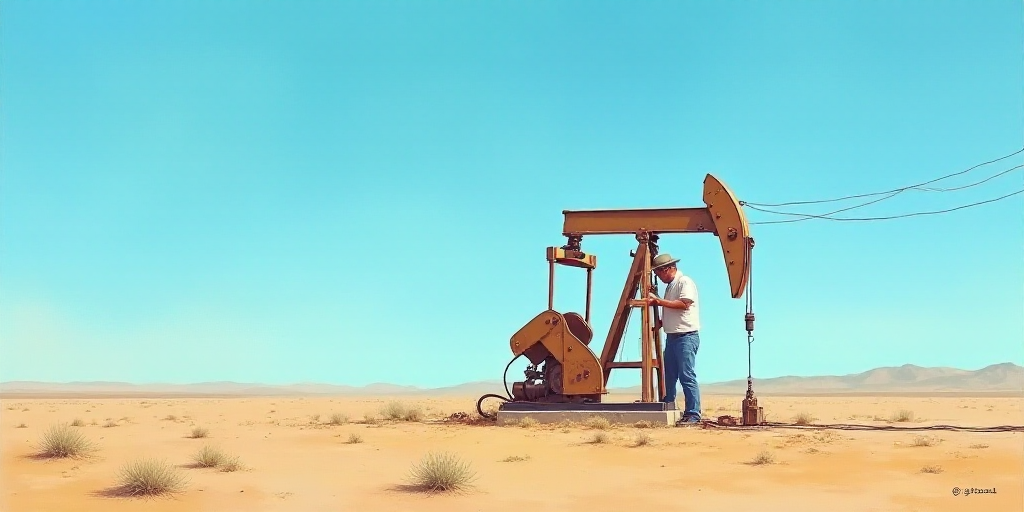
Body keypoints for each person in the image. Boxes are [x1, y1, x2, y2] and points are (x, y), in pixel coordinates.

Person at [645, 253, 702, 425]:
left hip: (686, 337)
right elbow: (673, 310)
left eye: (659, 273)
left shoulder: (684, 282)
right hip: (672, 337)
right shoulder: (671, 286)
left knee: (686, 375)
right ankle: (668, 404)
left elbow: (684, 304)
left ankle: (693, 414)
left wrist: (659, 302)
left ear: (668, 269)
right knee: (669, 375)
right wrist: (662, 322)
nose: (659, 277)